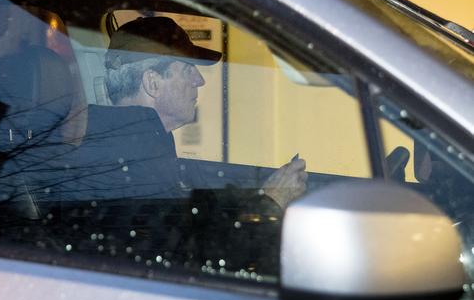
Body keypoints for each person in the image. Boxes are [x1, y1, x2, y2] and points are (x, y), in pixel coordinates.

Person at [64, 16, 307, 209]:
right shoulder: (126, 163)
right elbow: (190, 251)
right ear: (153, 82)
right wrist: (271, 203)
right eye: (187, 70)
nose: (199, 80)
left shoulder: (139, 145)